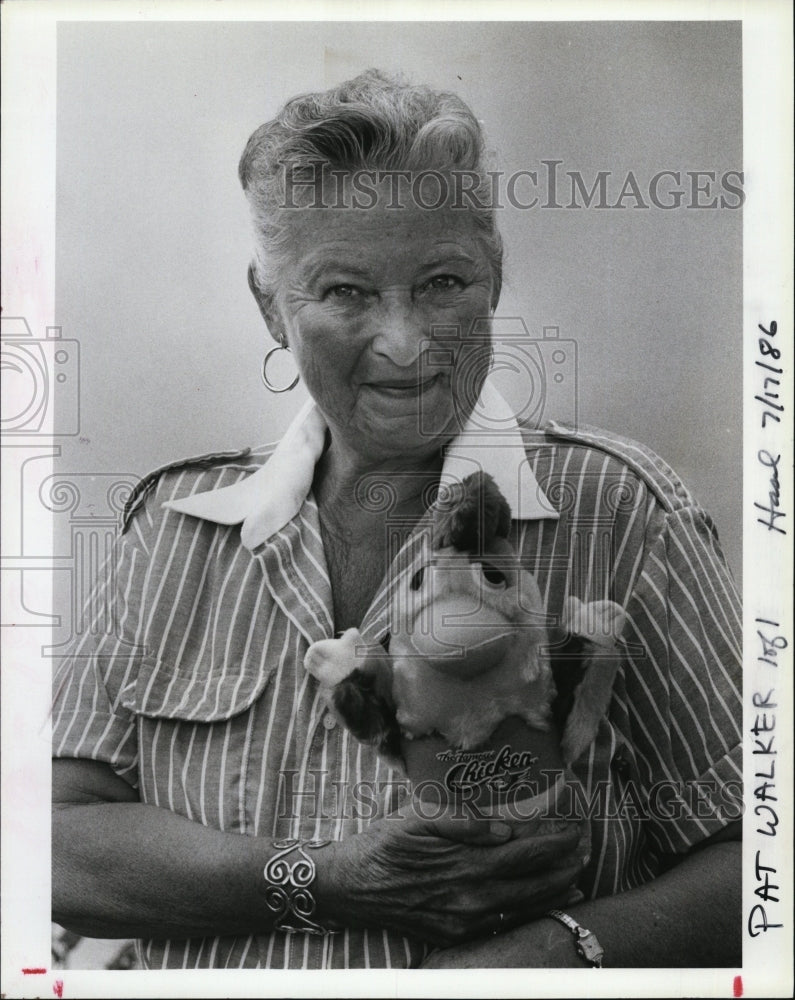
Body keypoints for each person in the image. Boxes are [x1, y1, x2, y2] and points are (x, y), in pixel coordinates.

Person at [51, 70, 742, 970]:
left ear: (494, 279)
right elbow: (53, 844)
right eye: (344, 292)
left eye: (443, 281)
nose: (405, 342)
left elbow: (760, 867)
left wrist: (549, 958)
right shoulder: (173, 532)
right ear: (271, 306)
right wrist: (328, 878)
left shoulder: (623, 513)